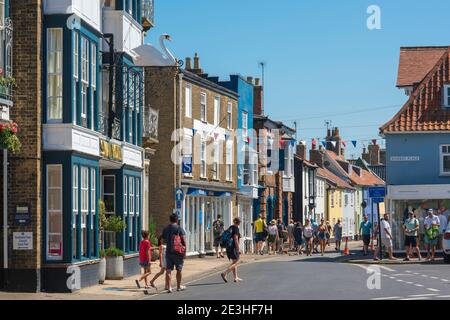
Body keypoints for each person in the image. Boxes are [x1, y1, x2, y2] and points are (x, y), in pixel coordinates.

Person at [162, 213, 187, 293]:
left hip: (169, 252)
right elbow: (183, 241)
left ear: (170, 220)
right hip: (178, 252)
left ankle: (169, 287)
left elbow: (162, 240)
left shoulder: (166, 229)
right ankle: (179, 286)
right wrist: (185, 252)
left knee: (168, 270)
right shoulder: (179, 228)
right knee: (179, 269)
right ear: (177, 220)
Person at [221, 217, 243, 283]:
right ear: (239, 222)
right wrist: (238, 249)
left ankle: (235, 277)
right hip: (233, 247)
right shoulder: (236, 229)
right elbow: (235, 239)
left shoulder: (231, 227)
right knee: (237, 262)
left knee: (234, 261)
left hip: (228, 247)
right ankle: (225, 273)